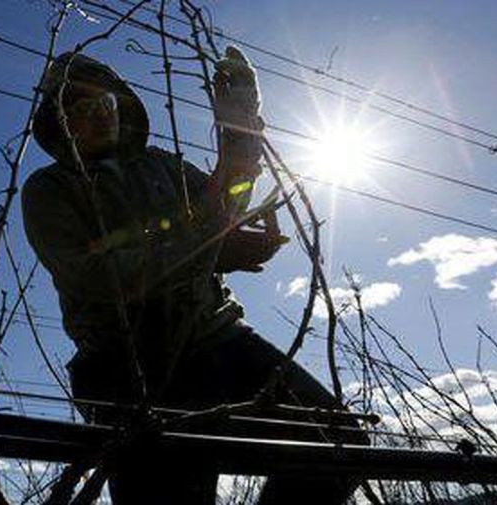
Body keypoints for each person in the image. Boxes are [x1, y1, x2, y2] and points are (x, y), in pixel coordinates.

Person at [21, 49, 368, 504]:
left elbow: (224, 206)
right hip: (126, 364)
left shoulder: (163, 165)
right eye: (81, 109)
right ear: (58, 121)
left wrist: (239, 124)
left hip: (218, 337)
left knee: (336, 441)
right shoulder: (49, 190)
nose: (100, 117)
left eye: (105, 104)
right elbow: (95, 276)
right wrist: (208, 251)